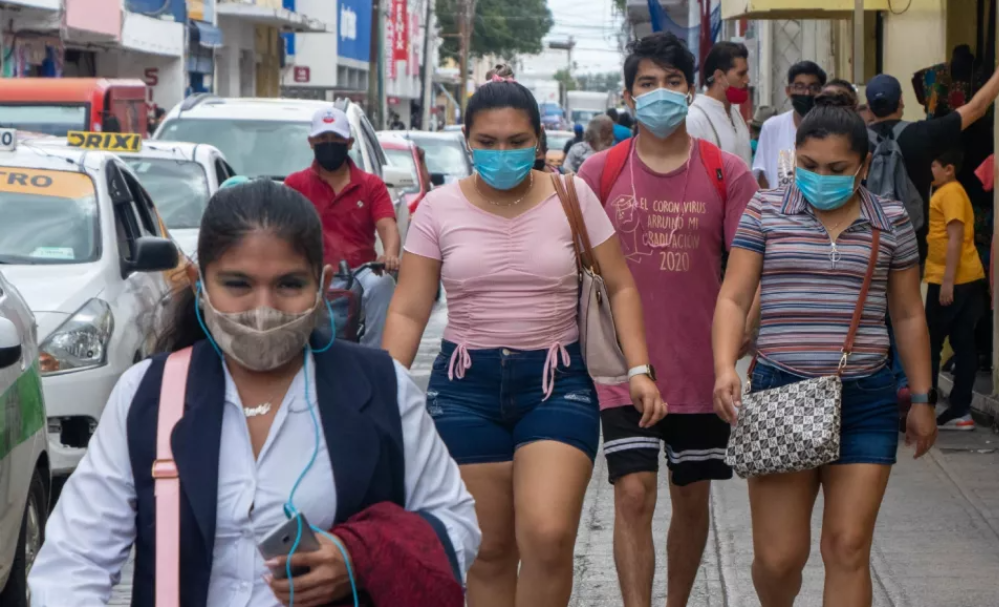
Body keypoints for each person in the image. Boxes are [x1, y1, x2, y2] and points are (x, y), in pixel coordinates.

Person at [28, 180, 480, 606]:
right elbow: (75, 560)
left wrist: (357, 556)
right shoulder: (150, 393)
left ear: (321, 287)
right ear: (201, 285)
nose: (263, 309)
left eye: (288, 284)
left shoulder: (380, 388)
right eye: (238, 285)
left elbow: (457, 524)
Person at [382, 75, 663, 607]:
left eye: (516, 141)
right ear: (467, 139)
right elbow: (409, 308)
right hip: (464, 389)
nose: (502, 153)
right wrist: (382, 389)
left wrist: (639, 370)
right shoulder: (437, 209)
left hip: (558, 385)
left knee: (549, 536)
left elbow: (622, 285)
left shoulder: (572, 194)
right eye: (487, 142)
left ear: (539, 140)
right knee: (487, 550)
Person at [713, 95, 937, 607]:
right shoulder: (766, 209)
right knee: (778, 559)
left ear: (862, 166)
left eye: (837, 168)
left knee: (848, 546)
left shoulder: (891, 220)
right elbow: (733, 296)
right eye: (810, 165)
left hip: (866, 399)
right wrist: (725, 366)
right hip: (779, 393)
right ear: (795, 156)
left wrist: (922, 399)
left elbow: (906, 315)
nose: (821, 177)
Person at [576, 32, 759, 607]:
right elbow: (576, 271)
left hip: (700, 370)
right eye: (647, 84)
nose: (660, 94)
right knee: (632, 493)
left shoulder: (727, 173)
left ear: (690, 90)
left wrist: (734, 348)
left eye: (672, 82)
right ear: (629, 96)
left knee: (692, 495)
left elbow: (751, 272)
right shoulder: (598, 174)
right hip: (617, 369)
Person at [866, 25, 999, 261]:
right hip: (911, 240)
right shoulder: (922, 134)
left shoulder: (853, 139)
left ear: (868, 106)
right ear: (902, 101)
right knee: (907, 297)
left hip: (867, 240)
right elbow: (977, 108)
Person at [284, 107, 400, 348]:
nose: (329, 144)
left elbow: (387, 226)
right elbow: (281, 229)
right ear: (311, 142)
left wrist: (389, 254)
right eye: (323, 139)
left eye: (336, 138)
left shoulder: (371, 185)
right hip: (310, 271)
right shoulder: (295, 183)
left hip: (361, 271)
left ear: (349, 143)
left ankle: (373, 357)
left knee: (383, 284)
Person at [925, 148, 984, 431]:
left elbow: (955, 236)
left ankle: (927, 407)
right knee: (962, 342)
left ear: (949, 169)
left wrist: (947, 281)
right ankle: (960, 410)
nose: (931, 171)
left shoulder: (950, 193)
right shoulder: (949, 192)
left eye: (934, 166)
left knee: (931, 344)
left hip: (953, 280)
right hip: (962, 277)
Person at [752, 60, 828, 189]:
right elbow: (763, 176)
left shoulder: (830, 127)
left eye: (813, 87)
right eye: (799, 87)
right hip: (780, 207)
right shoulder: (772, 127)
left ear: (821, 91)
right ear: (788, 91)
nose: (806, 93)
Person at [687, 40, 753, 166]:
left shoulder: (734, 112)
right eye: (741, 74)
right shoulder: (694, 119)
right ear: (719, 77)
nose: (747, 80)